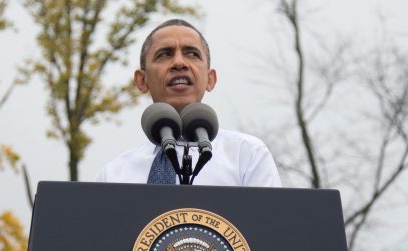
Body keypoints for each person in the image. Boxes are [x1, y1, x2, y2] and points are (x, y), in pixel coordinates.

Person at [95, 19, 281, 187]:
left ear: (210, 79)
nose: (179, 63)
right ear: (142, 80)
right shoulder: (113, 178)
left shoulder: (247, 156)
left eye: (192, 54)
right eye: (164, 54)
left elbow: (270, 223)